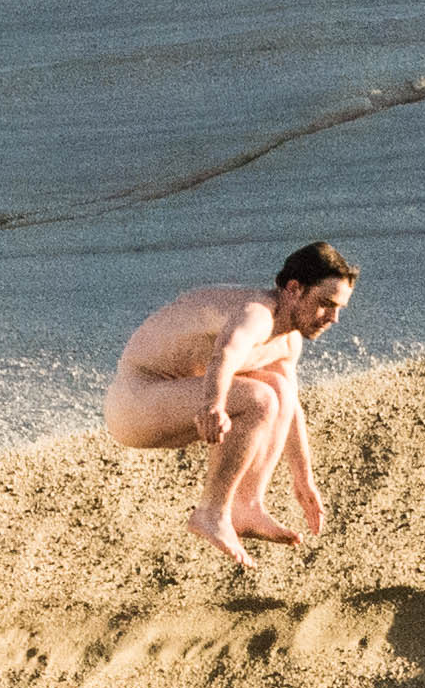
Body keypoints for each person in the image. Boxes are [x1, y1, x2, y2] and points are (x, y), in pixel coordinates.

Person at [108, 242, 358, 566]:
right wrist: (214, 405)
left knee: (278, 389)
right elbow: (225, 353)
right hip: (135, 401)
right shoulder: (256, 314)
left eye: (339, 308)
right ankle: (211, 512)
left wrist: (304, 478)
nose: (334, 318)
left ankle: (248, 505)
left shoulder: (289, 339)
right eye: (326, 304)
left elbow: (290, 407)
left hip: (173, 399)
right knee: (258, 398)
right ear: (294, 289)